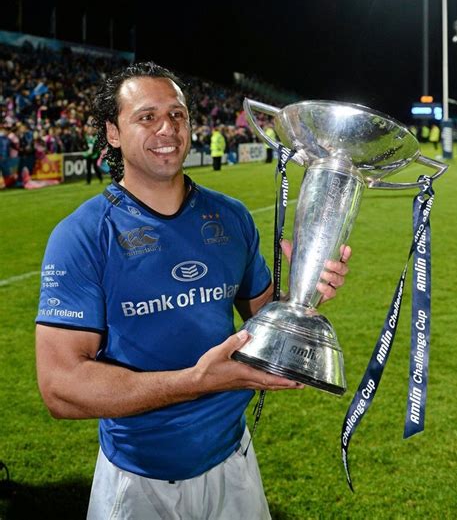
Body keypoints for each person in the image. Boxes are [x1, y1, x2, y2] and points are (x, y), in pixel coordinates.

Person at [35, 62, 351, 520]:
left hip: (235, 465)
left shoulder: (231, 216)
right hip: (137, 480)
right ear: (113, 132)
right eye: (146, 117)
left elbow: (265, 321)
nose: (168, 128)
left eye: (178, 114)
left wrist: (306, 289)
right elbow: (59, 388)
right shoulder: (81, 235)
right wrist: (196, 383)